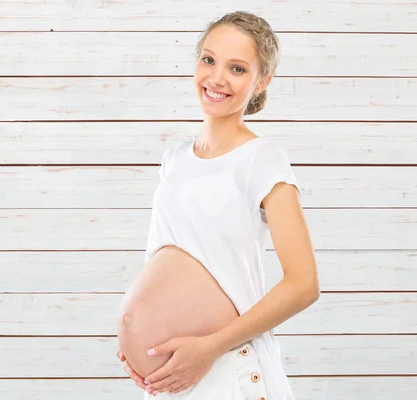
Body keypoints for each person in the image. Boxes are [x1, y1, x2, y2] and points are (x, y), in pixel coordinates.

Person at [115, 11, 320, 400]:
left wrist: (210, 347)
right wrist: (137, 342)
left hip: (230, 368)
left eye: (237, 68)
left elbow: (304, 284)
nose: (217, 78)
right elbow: (162, 261)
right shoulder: (173, 158)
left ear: (261, 81)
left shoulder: (262, 159)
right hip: (173, 381)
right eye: (208, 60)